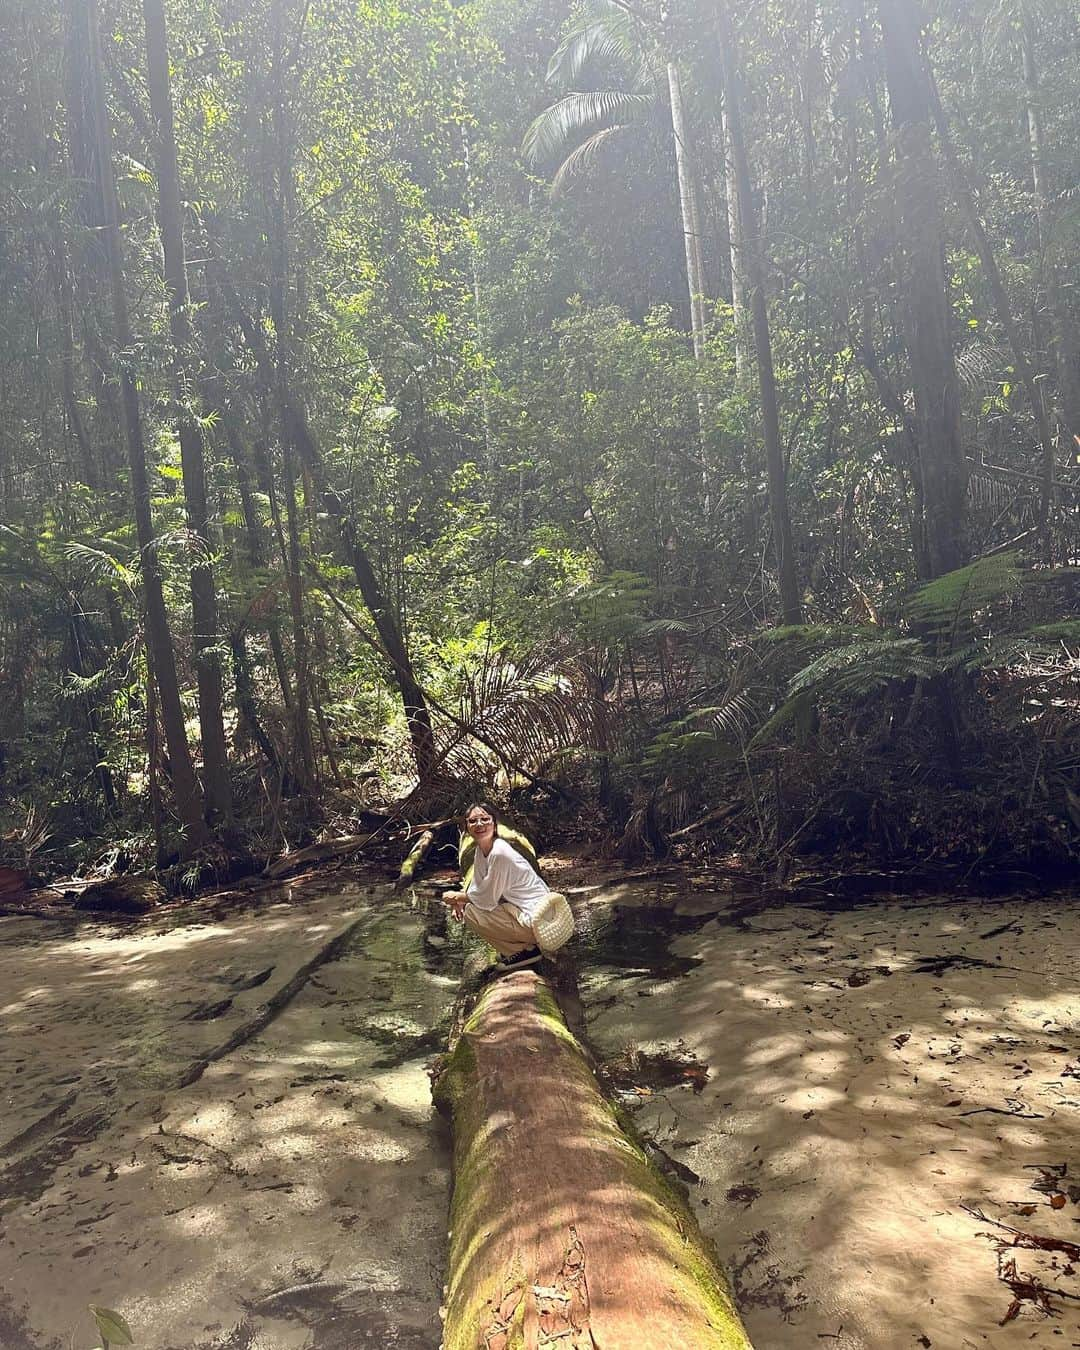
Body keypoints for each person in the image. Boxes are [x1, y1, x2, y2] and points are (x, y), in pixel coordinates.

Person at [442, 803, 552, 971]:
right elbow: (477, 886)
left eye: (485, 819)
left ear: (494, 824)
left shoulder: (499, 853)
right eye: (473, 821)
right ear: (466, 827)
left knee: (472, 913)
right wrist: (461, 899)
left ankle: (525, 951)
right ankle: (521, 948)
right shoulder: (481, 850)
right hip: (528, 916)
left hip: (540, 922)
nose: (479, 824)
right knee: (472, 907)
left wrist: (456, 897)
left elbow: (486, 898)